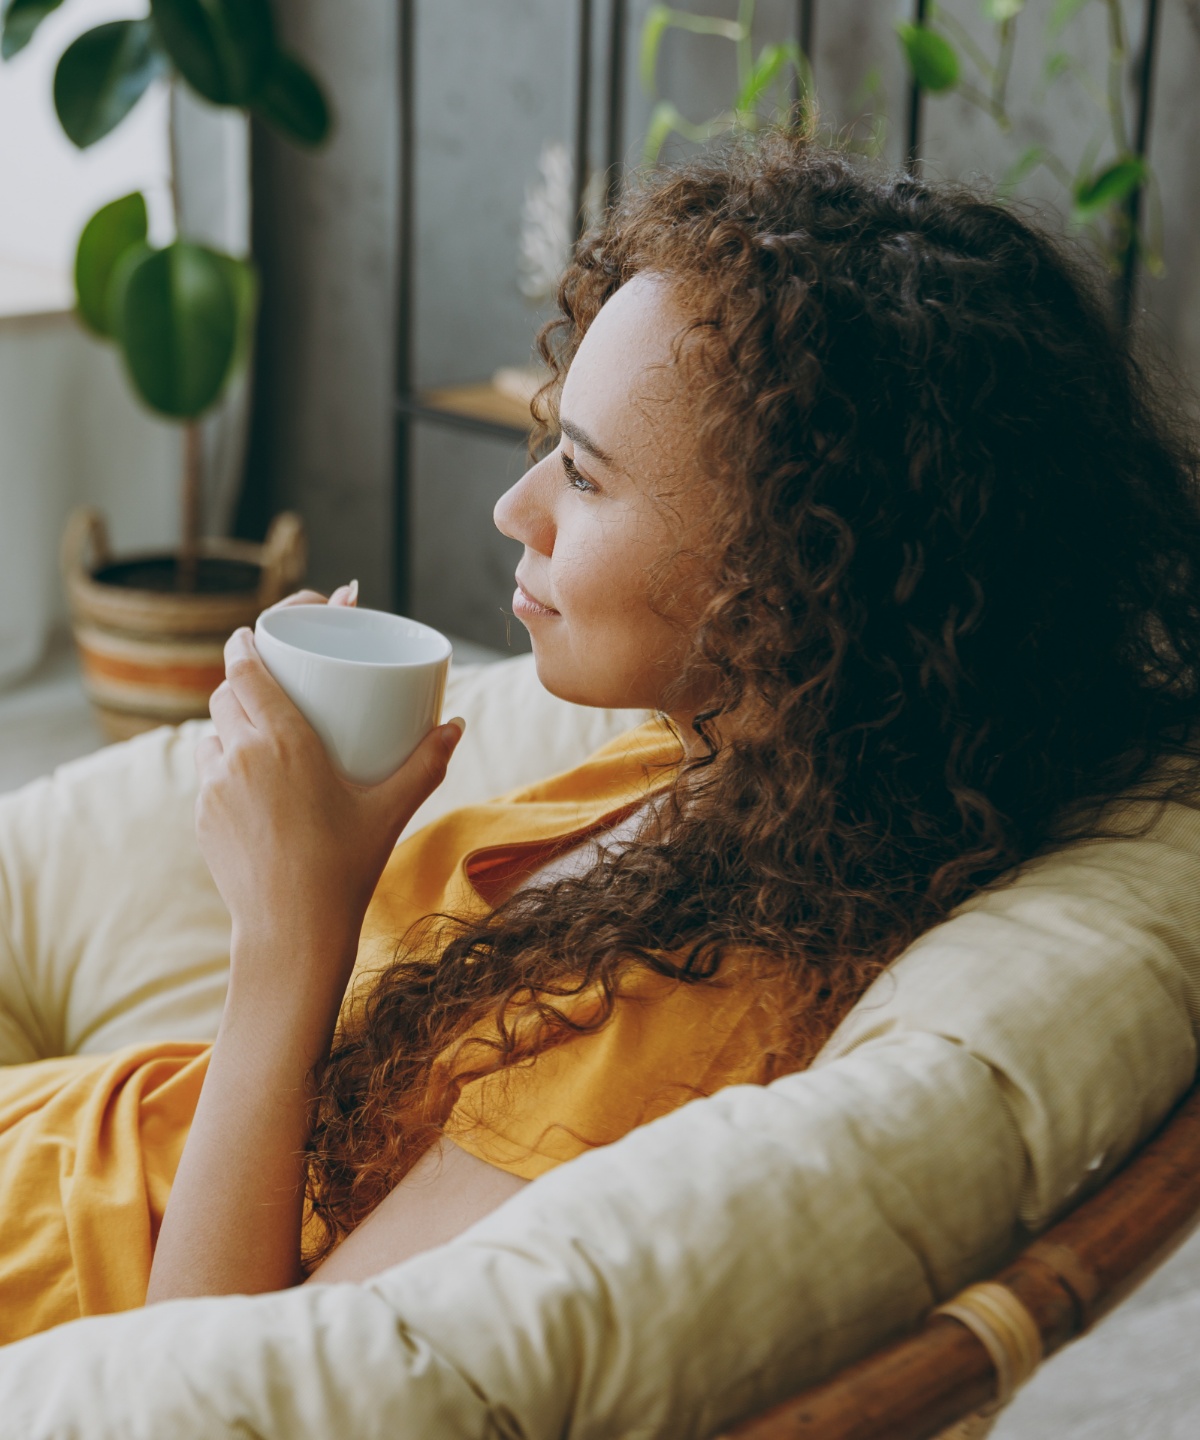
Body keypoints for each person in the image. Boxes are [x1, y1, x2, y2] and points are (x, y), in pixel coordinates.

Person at [3, 130, 1200, 1341]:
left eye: (581, 477)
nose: (510, 507)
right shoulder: (746, 770)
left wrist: (285, 932)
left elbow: (207, 1382)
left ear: (800, 574)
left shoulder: (679, 1020)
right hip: (89, 1143)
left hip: (75, 1291)